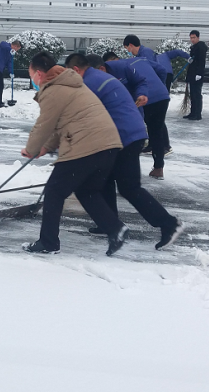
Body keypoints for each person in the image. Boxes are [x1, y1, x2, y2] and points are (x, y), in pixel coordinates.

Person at [64, 54, 185, 249]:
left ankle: (169, 223)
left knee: (129, 187)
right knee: (105, 178)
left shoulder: (89, 83)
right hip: (124, 133)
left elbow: (77, 116)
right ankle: (109, 223)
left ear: (76, 70)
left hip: (125, 136)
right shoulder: (98, 78)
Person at [21, 52, 128, 256]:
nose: (32, 79)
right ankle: (115, 228)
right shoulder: (71, 84)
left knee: (54, 191)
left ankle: (48, 243)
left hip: (85, 145)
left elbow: (44, 124)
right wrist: (46, 147)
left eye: (31, 74)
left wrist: (31, 149)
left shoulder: (53, 90)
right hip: (108, 144)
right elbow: (61, 123)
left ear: (39, 74)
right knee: (87, 191)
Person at [103, 51, 171, 179]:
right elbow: (162, 70)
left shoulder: (119, 70)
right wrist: (160, 85)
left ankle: (130, 168)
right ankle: (158, 167)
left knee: (136, 133)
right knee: (156, 131)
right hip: (162, 96)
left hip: (144, 99)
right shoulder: (141, 59)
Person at [0, 39, 22, 107]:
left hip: (0, 69)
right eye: (17, 49)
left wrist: (11, 72)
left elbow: (10, 63)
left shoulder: (11, 53)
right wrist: (10, 50)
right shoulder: (5, 45)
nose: (16, 50)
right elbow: (2, 43)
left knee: (0, 85)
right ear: (15, 46)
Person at [185, 30, 208, 120]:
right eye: (191, 38)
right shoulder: (194, 47)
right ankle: (193, 112)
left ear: (198, 37)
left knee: (197, 94)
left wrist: (199, 74)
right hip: (192, 74)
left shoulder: (201, 48)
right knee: (193, 94)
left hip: (197, 75)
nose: (192, 39)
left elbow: (201, 62)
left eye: (194, 37)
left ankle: (197, 114)